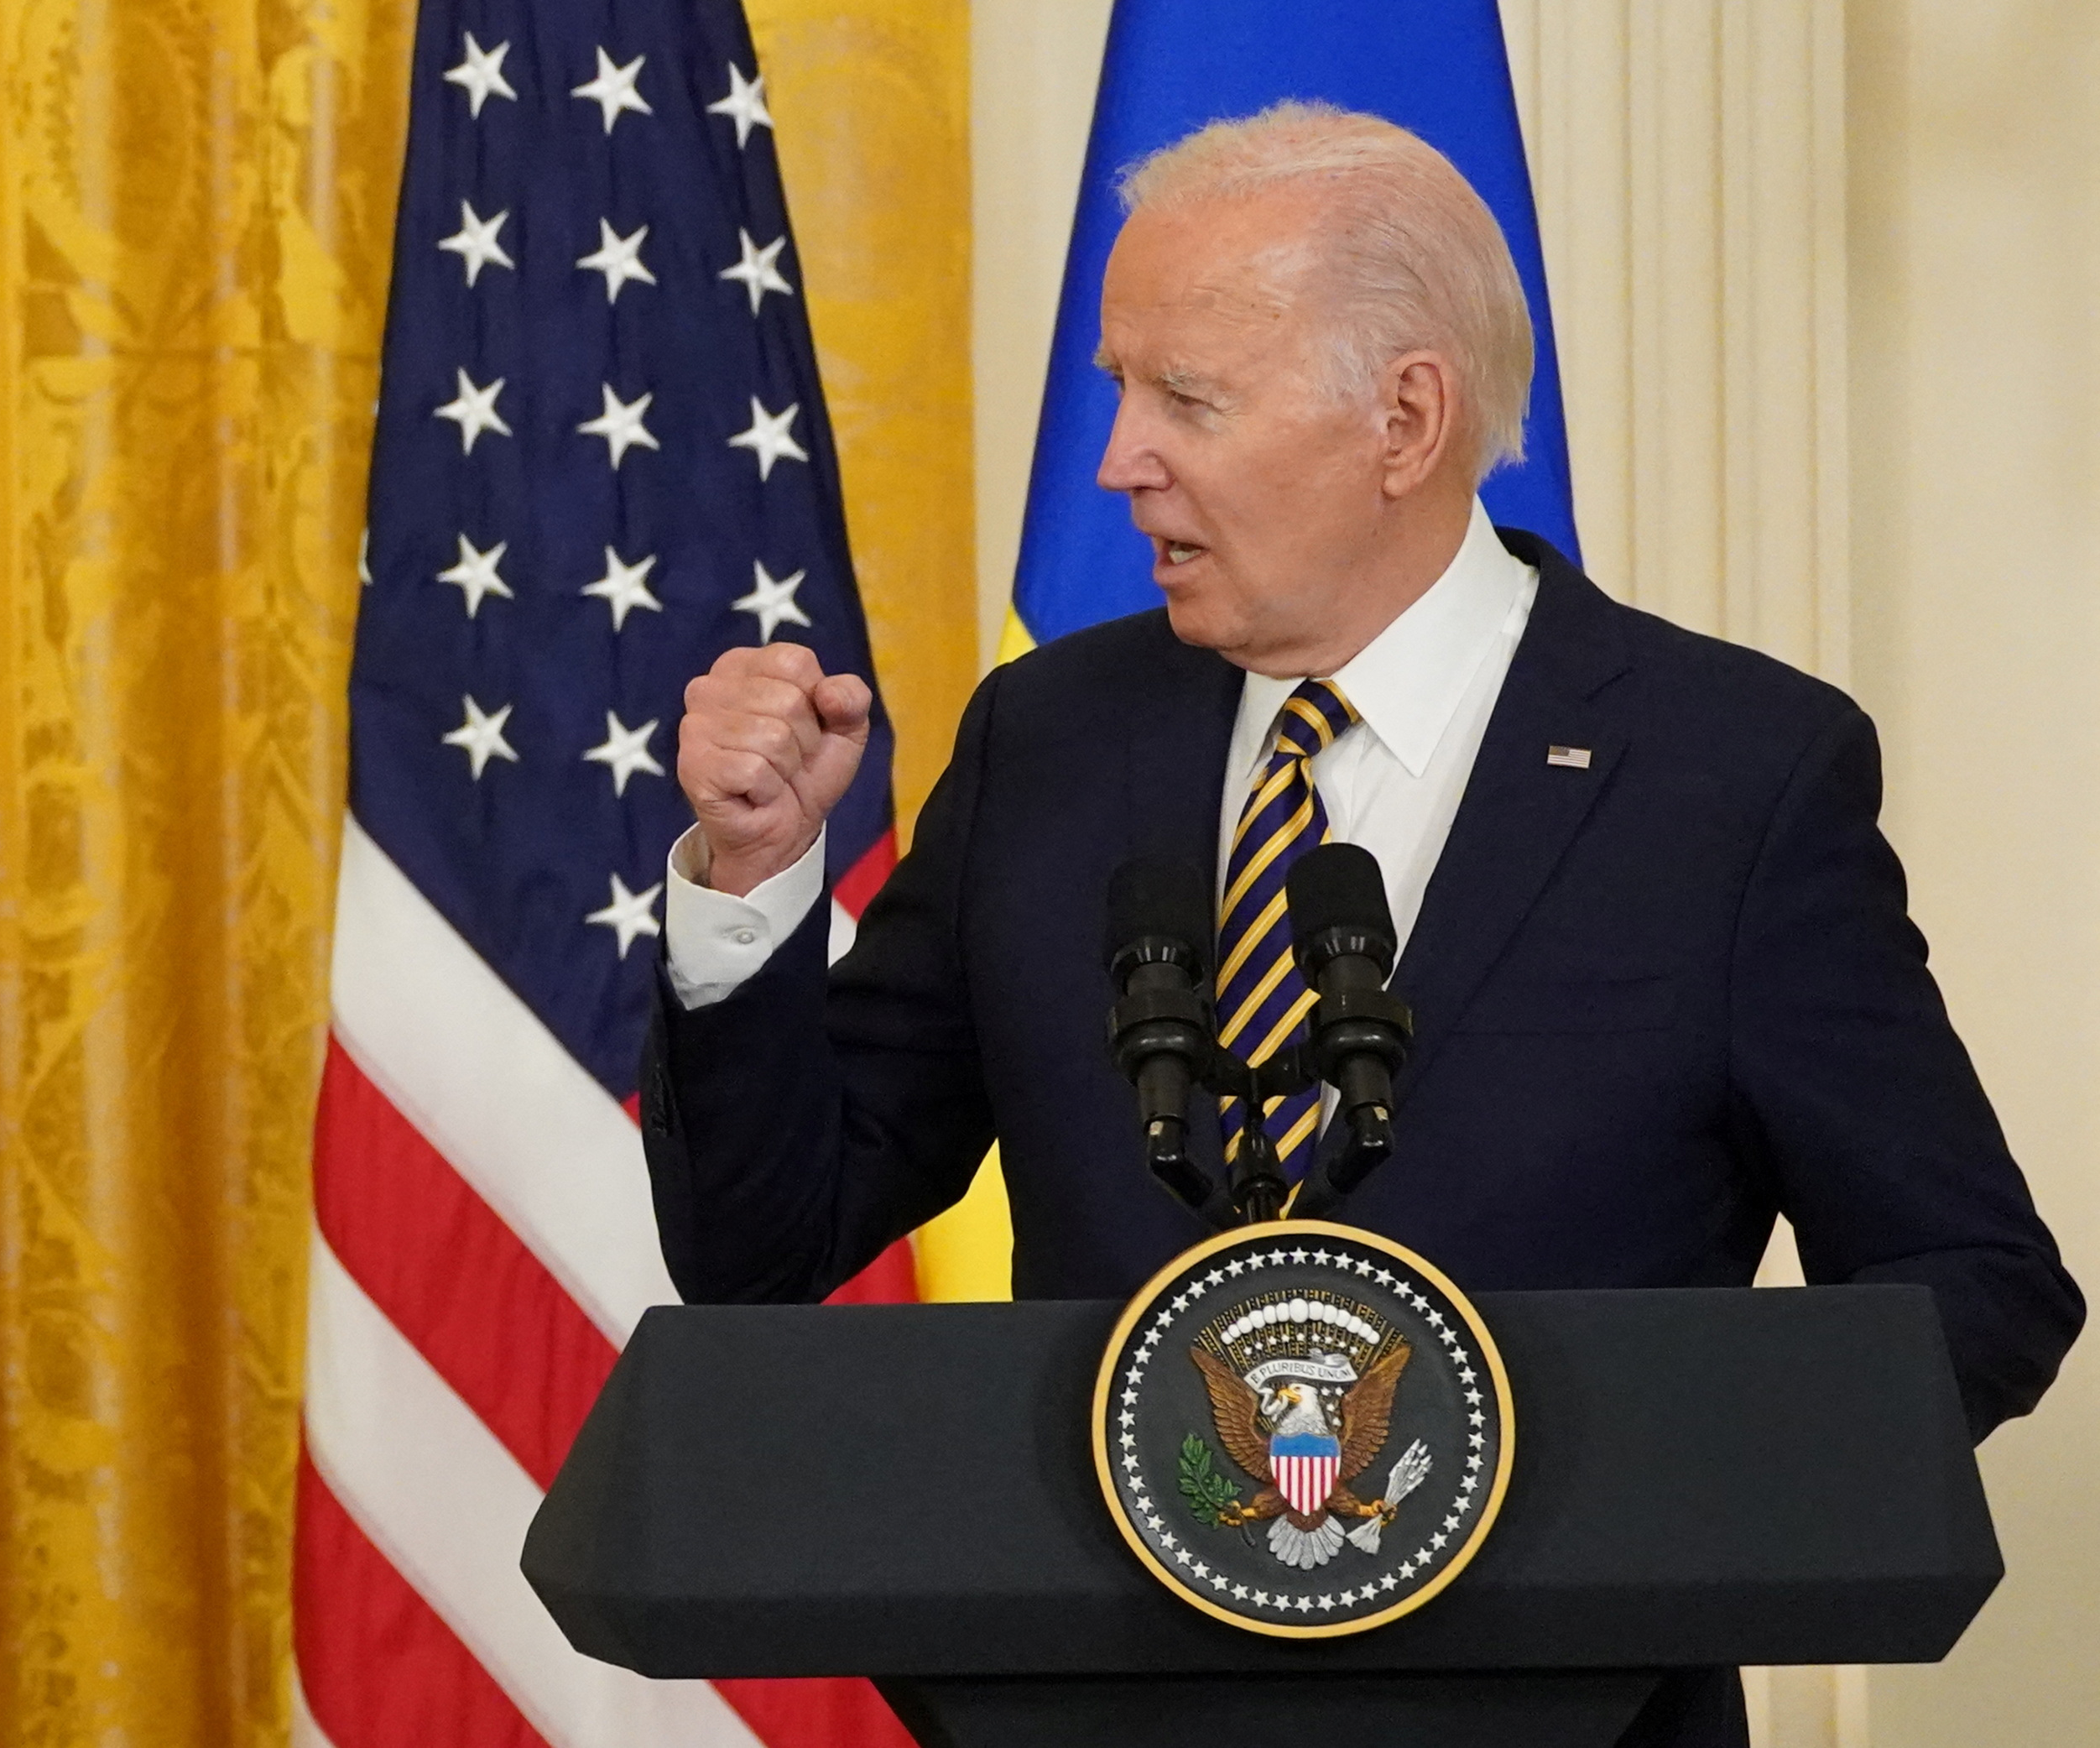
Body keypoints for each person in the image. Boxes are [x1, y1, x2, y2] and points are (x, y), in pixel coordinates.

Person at [638, 102, 2080, 1746]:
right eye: (1121, 388)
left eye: (1185, 397)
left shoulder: (1728, 778)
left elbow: (1973, 1283)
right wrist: (748, 878)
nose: (1118, 458)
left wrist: (1640, 1520)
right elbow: (763, 1239)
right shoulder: (1049, 740)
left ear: (1406, 418)